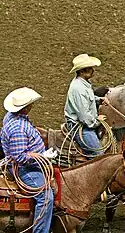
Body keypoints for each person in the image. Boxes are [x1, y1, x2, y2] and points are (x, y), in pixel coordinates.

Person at [1, 87, 55, 233]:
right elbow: (19, 157)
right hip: (23, 168)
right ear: (26, 108)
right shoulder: (18, 127)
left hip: (29, 163)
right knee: (46, 198)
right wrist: (42, 156)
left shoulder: (12, 117)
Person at [64, 53, 109, 157]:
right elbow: (84, 116)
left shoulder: (84, 83)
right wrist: (97, 121)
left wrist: (99, 100)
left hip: (85, 123)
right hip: (81, 127)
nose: (93, 70)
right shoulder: (78, 89)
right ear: (81, 71)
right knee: (99, 155)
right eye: (89, 68)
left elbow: (88, 99)